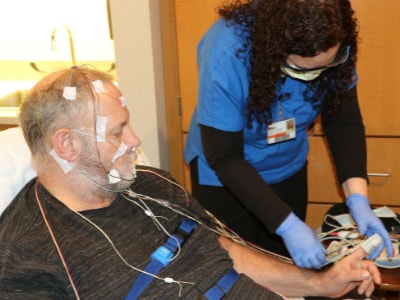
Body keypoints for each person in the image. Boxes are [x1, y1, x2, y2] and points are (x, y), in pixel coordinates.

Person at [0, 67, 381, 299]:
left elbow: (223, 251)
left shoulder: (152, 186)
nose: (135, 141)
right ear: (66, 144)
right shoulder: (25, 255)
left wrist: (321, 283)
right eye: (118, 133)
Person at [184, 0, 392, 269]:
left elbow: (343, 119)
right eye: (300, 69)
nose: (315, 75)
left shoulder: (334, 37)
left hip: (287, 168)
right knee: (235, 273)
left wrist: (358, 199)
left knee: (286, 269)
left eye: (326, 65)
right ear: (274, 50)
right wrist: (287, 224)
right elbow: (224, 156)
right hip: (225, 180)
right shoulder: (227, 49)